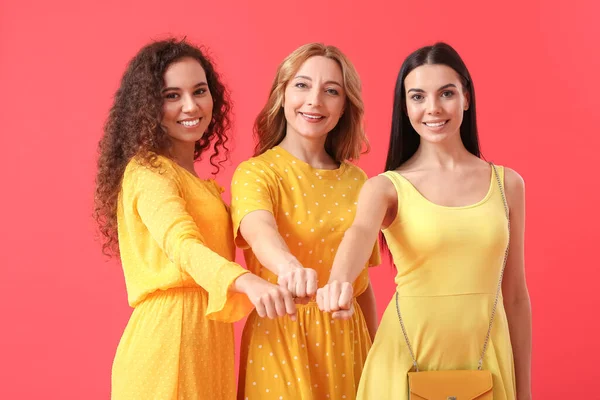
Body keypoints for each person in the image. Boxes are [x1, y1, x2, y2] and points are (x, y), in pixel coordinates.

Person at [317, 42, 532, 400]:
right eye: (417, 97)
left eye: (446, 93)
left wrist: (524, 392)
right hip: (404, 363)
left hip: (487, 363)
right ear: (405, 106)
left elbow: (515, 297)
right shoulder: (386, 188)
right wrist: (338, 282)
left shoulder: (507, 184)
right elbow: (358, 235)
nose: (432, 108)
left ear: (465, 97)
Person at [93, 38, 295, 400]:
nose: (190, 105)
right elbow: (183, 246)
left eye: (199, 91)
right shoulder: (148, 174)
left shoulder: (197, 183)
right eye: (172, 95)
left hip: (208, 345)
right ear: (147, 106)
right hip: (169, 344)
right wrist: (247, 282)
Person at [231, 43, 380, 399]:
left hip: (348, 341)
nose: (315, 100)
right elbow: (258, 227)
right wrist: (289, 268)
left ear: (345, 107)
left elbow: (362, 287)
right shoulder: (257, 173)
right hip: (280, 339)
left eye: (331, 91)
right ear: (281, 94)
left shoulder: (360, 183)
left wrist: (376, 357)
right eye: (301, 85)